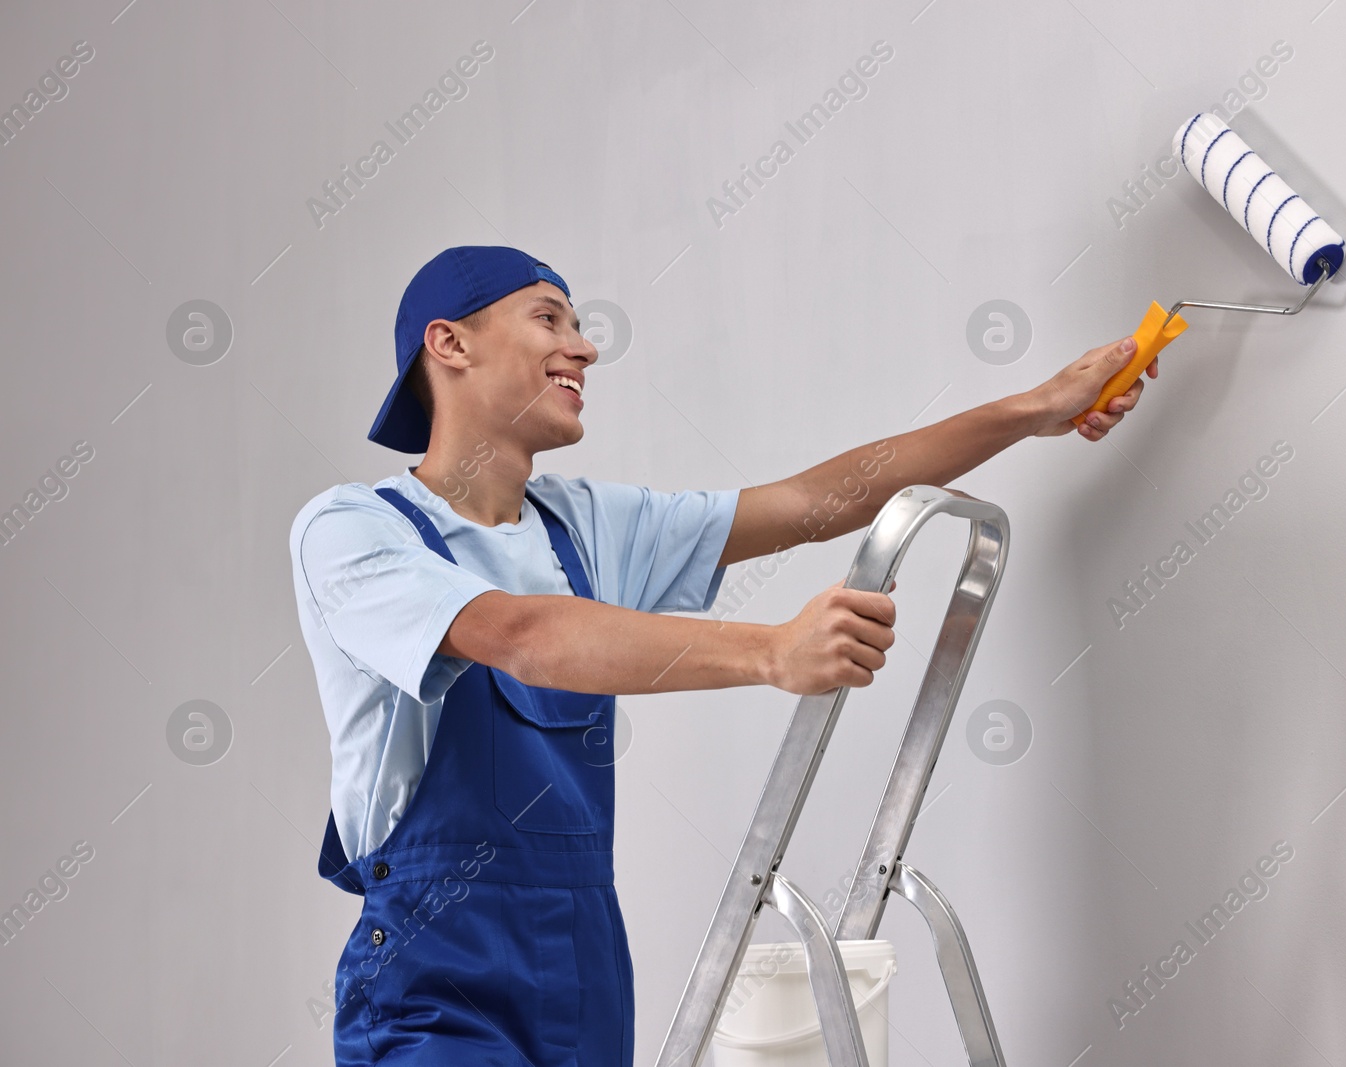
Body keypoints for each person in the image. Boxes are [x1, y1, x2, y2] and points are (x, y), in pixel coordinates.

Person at [288, 245, 1155, 1065]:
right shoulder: (352, 531)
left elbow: (814, 500)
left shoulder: (581, 525)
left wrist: (1031, 410)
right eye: (550, 320)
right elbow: (525, 638)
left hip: (584, 963)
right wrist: (773, 651)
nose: (584, 347)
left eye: (577, 325)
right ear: (450, 342)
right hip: (438, 975)